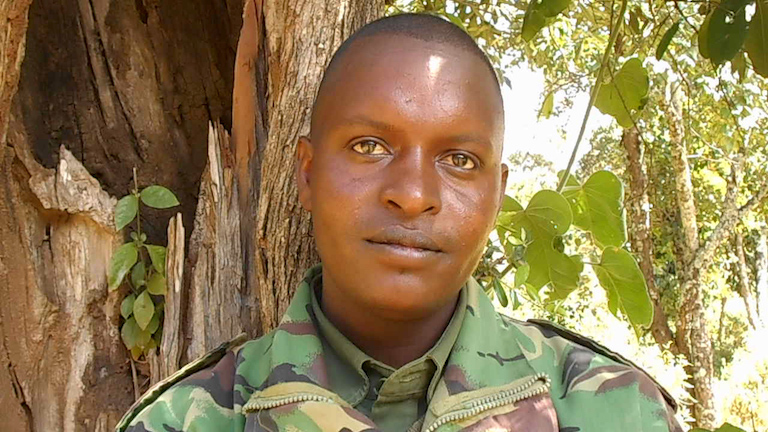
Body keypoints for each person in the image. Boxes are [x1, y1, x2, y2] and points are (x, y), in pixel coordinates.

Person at [116, 13, 681, 432]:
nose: (413, 196)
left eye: (459, 160)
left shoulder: (614, 408)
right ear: (308, 175)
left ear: (495, 194)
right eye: (369, 146)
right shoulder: (189, 420)